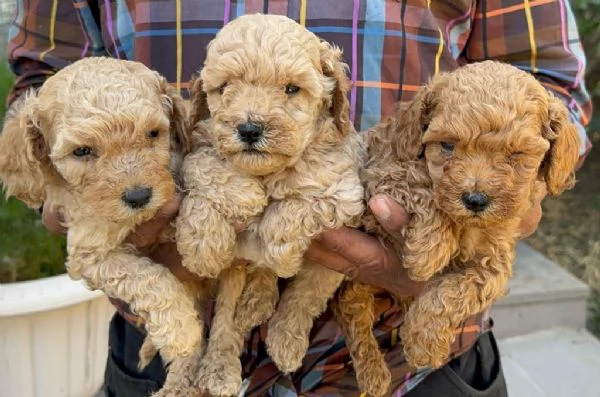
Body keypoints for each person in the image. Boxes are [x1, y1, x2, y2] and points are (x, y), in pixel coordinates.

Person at [4, 1, 592, 396]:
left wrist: (514, 181)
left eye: (292, 91)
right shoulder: (195, 132)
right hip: (171, 341)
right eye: (227, 90)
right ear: (202, 106)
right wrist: (80, 196)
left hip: (416, 352)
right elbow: (41, 83)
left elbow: (550, 84)